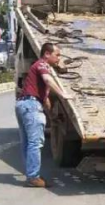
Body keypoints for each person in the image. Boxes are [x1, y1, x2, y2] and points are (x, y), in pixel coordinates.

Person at [16, 43, 73, 188]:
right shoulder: (41, 65)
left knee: (28, 143)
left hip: (24, 105)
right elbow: (48, 80)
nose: (58, 58)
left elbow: (45, 100)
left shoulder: (38, 69)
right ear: (47, 54)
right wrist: (63, 94)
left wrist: (51, 117)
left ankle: (31, 174)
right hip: (30, 106)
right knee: (35, 143)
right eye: (57, 55)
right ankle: (33, 177)